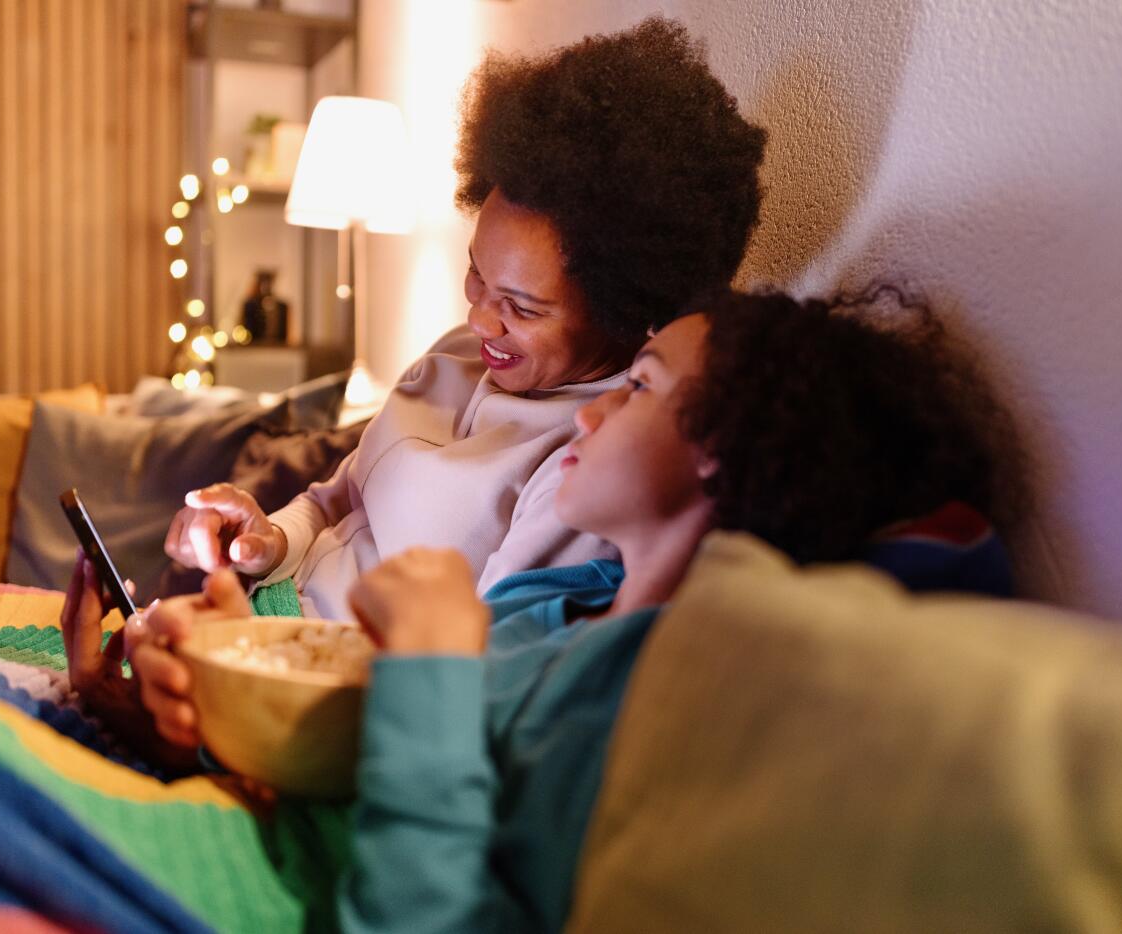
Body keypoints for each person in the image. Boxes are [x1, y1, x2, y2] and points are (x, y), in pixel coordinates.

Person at [66, 287, 1021, 931]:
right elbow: (345, 765)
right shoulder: (545, 605)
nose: (592, 414)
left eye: (639, 386)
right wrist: (194, 697)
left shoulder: (671, 699)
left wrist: (434, 670)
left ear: (722, 453)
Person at [163, 17, 768, 619]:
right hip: (246, 615)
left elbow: (474, 659)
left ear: (624, 307)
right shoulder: (454, 353)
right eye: (477, 272)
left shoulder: (586, 456)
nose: (480, 320)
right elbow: (337, 496)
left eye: (522, 306)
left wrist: (254, 646)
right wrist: (265, 541)